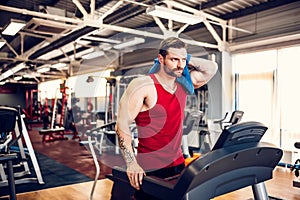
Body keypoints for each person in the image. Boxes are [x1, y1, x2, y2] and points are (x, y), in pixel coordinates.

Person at [115, 37, 218, 199]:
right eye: (174, 59)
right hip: (149, 168)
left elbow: (212, 68)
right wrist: (131, 163)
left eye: (183, 60)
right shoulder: (143, 85)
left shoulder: (183, 84)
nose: (180, 65)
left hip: (177, 165)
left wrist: (186, 57)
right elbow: (122, 125)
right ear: (161, 59)